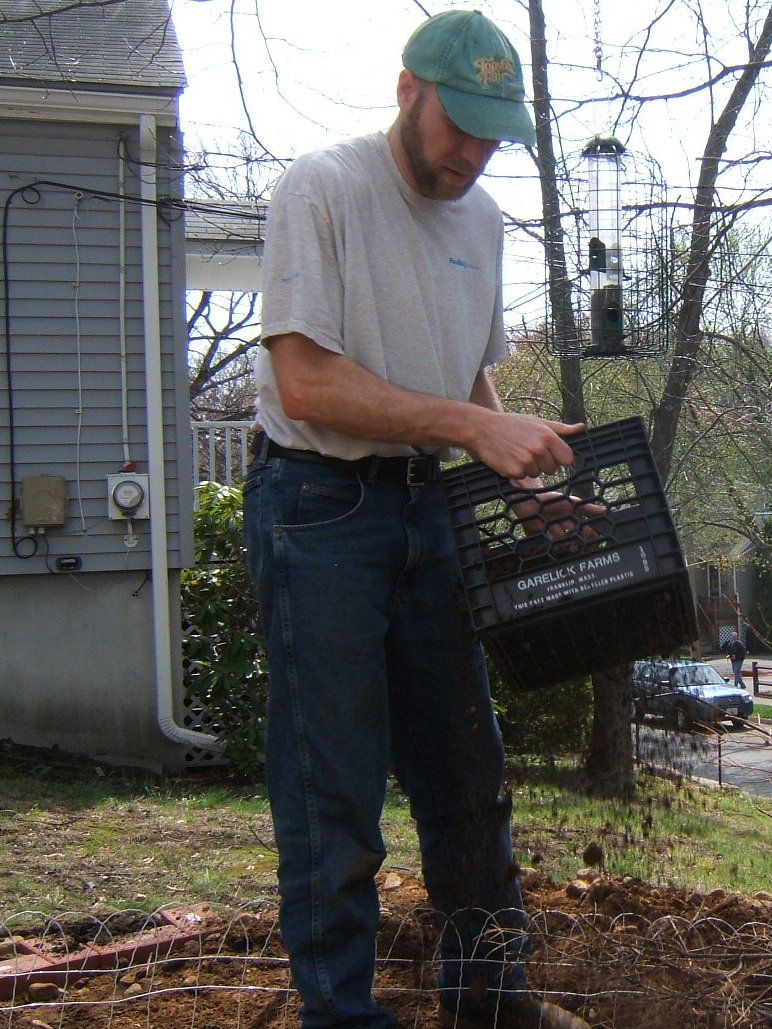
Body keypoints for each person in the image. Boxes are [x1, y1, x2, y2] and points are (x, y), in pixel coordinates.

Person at [243, 10, 590, 1028]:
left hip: (426, 506)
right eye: (460, 126)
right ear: (407, 91)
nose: (474, 154)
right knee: (335, 791)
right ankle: (340, 1017)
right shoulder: (324, 188)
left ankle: (488, 999)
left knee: (467, 775)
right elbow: (304, 384)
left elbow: (469, 380)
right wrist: (468, 430)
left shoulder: (481, 223)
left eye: (494, 134)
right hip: (319, 508)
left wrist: (520, 464)